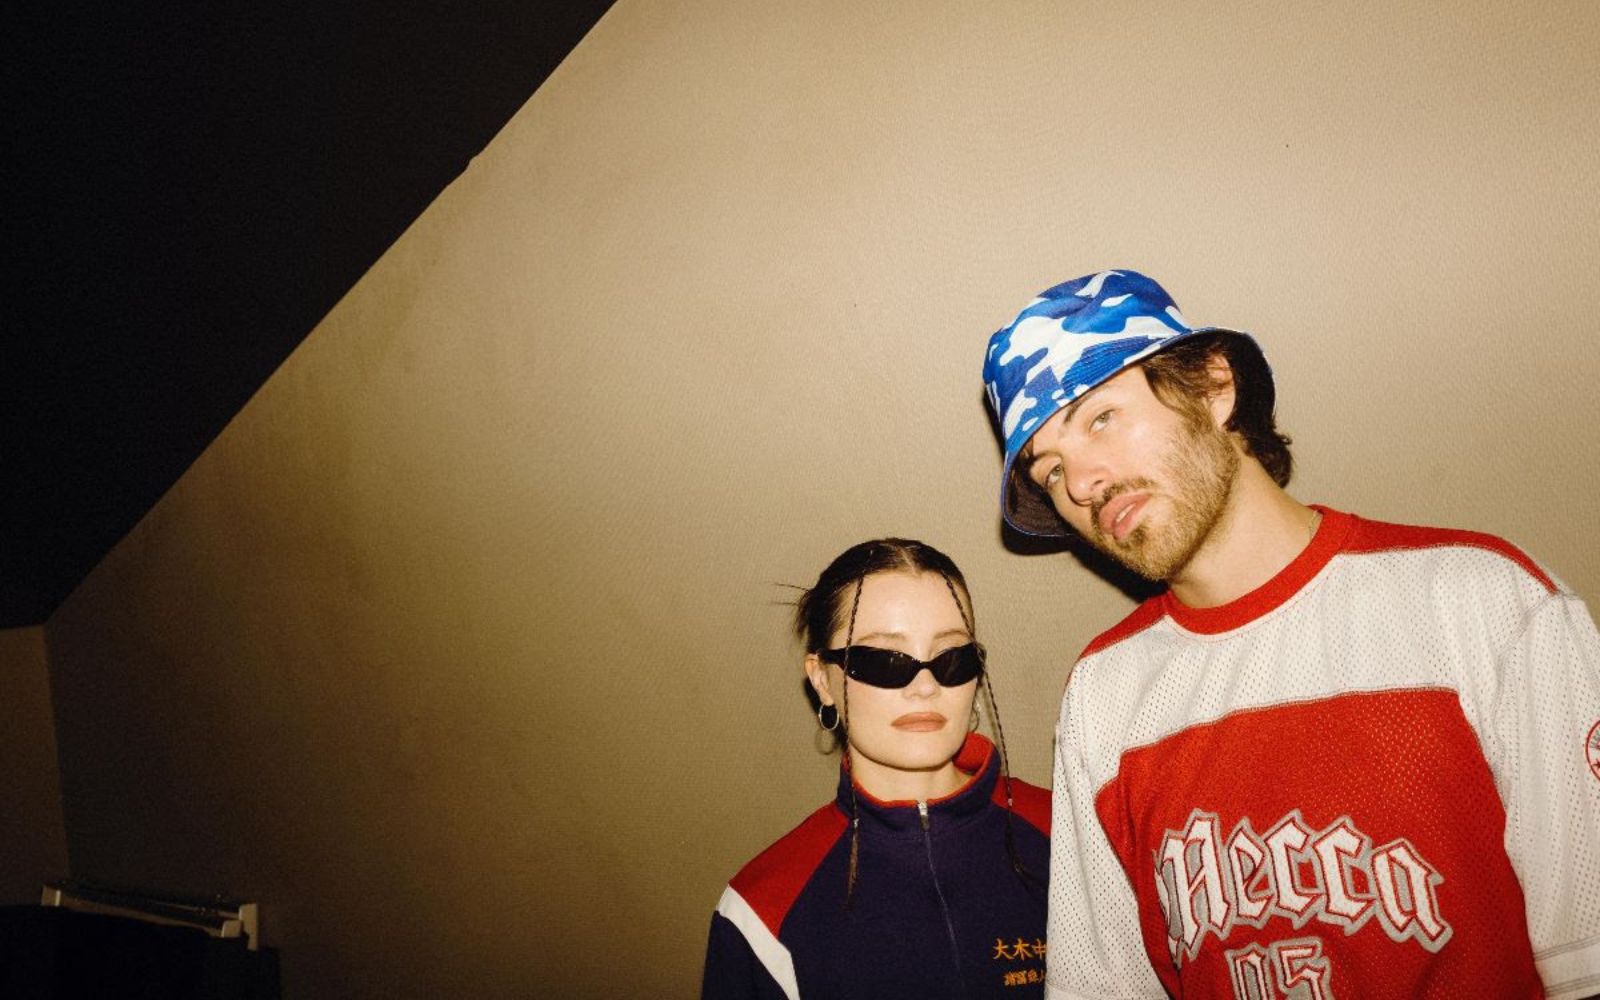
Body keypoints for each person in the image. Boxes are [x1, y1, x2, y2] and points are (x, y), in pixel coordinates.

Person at [981, 269, 1600, 999]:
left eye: (1100, 418)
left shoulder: (1480, 602)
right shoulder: (1104, 694)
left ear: (1213, 387)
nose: (1082, 483)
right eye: (1050, 471)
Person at [700, 538, 1052, 999]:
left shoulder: (1075, 833)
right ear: (822, 679)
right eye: (883, 660)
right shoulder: (761, 911)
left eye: (951, 657)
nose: (925, 686)